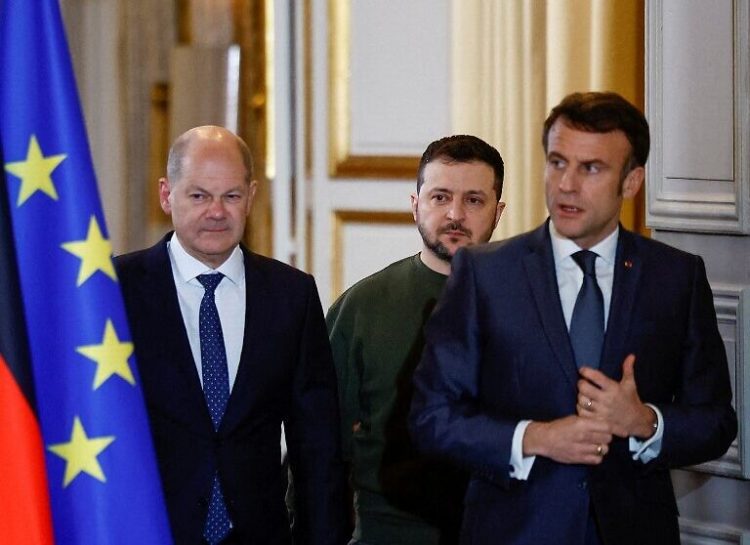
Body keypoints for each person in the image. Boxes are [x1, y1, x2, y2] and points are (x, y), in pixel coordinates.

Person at [409, 93, 737, 545]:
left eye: (591, 168)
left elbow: (716, 422)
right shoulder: (485, 274)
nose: (566, 184)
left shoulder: (675, 277)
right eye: (558, 163)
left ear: (632, 181)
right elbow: (431, 418)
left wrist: (645, 422)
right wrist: (534, 438)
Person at [115, 126, 347, 545]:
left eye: (231, 196)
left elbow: (318, 447)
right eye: (199, 195)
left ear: (252, 197)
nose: (216, 211)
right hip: (146, 531)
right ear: (167, 195)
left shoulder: (292, 296)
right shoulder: (116, 290)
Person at [327, 135, 506, 545]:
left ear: (498, 212)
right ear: (415, 205)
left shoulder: (531, 306)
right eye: (440, 197)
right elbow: (320, 450)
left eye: (474, 201)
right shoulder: (362, 307)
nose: (455, 214)